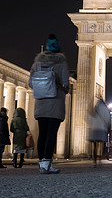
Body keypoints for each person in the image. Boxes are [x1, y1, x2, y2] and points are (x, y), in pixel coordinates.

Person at [29, 34, 69, 174]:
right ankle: (47, 164)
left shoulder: (36, 64)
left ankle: (41, 164)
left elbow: (30, 83)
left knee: (42, 133)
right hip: (55, 103)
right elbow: (66, 83)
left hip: (41, 104)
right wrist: (63, 89)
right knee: (52, 133)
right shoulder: (61, 63)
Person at [88, 99, 111, 166]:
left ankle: (94, 159)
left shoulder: (95, 109)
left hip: (94, 129)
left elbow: (90, 118)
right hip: (102, 128)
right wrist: (107, 125)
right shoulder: (104, 109)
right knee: (102, 144)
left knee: (95, 146)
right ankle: (100, 158)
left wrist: (91, 125)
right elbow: (107, 118)